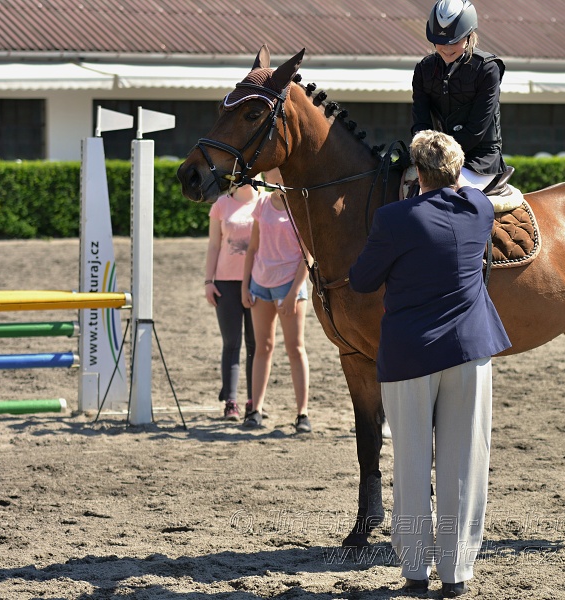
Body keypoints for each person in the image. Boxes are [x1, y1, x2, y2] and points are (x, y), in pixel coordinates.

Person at [349, 130, 511, 597]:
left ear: (415, 173)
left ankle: (416, 571)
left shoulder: (393, 218)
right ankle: (457, 574)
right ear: (458, 171)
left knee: (413, 461)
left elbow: (361, 280)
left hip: (409, 355)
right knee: (465, 463)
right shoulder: (479, 209)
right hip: (469, 350)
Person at [241, 167, 312, 432]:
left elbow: (309, 255)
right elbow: (253, 247)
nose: (270, 173)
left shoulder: (299, 206)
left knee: (295, 349)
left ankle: (302, 414)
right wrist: (245, 285)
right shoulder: (261, 204)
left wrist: (294, 291)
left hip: (289, 286)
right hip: (260, 285)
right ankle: (255, 410)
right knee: (263, 347)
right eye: (269, 171)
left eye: (275, 169)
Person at [412, 0, 509, 193]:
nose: (447, 48)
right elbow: (420, 124)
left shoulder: (488, 69)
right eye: (441, 42)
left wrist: (439, 159)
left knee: (448, 194)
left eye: (455, 41)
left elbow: (475, 130)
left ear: (469, 35)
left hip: (478, 159)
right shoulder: (424, 69)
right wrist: (421, 154)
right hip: (435, 158)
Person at [204, 183, 257, 421]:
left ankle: (254, 401)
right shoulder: (221, 204)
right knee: (231, 343)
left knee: (256, 345)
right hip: (225, 283)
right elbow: (214, 245)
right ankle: (231, 402)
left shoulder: (264, 202)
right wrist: (208, 281)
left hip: (258, 282)